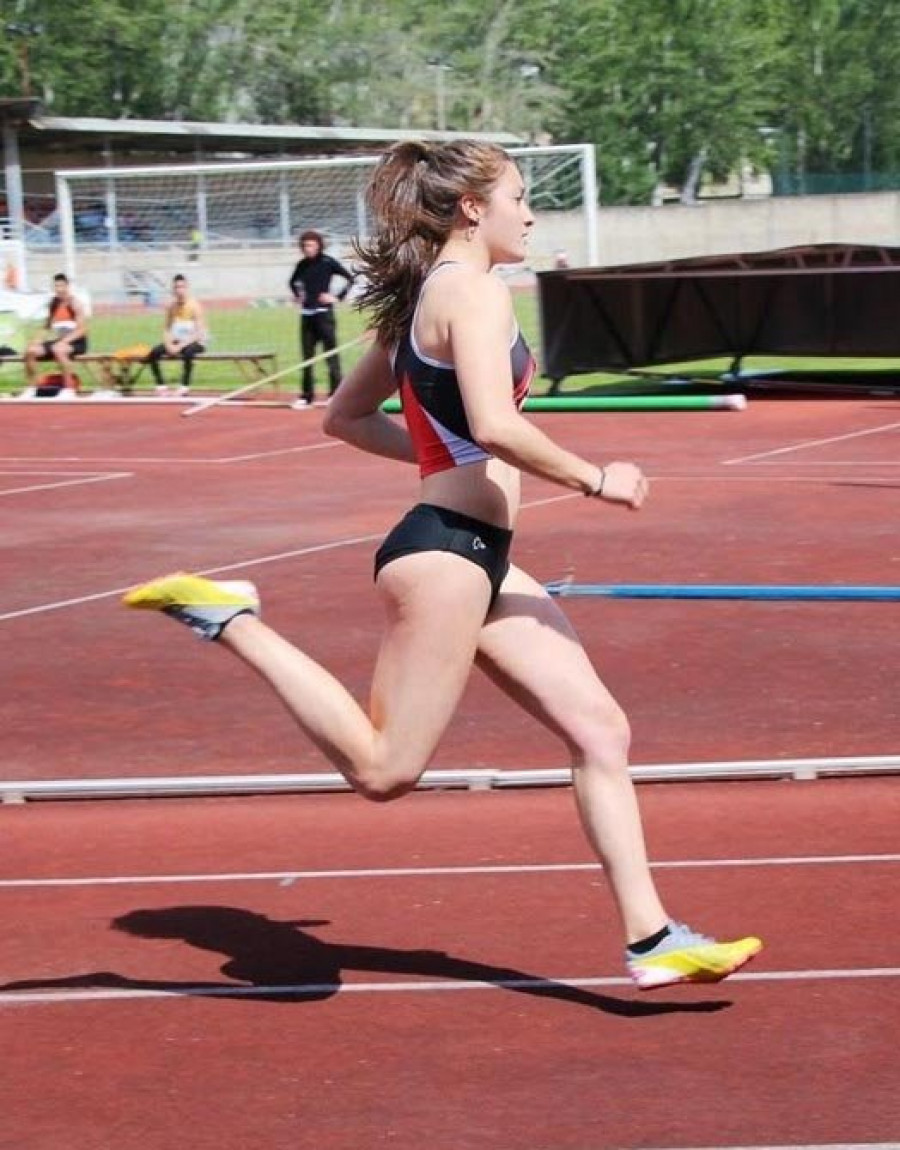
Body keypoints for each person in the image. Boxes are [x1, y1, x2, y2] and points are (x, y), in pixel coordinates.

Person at [124, 140, 762, 991]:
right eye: (520, 198)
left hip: (478, 556)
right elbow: (495, 426)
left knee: (600, 731)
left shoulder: (425, 298)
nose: (531, 214)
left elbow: (345, 420)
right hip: (447, 558)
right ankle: (230, 616)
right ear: (472, 208)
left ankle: (652, 939)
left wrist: (441, 463)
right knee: (385, 771)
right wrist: (592, 477)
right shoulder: (476, 293)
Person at [288, 230, 355, 408]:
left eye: (311, 245)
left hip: (324, 315)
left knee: (331, 356)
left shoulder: (327, 262)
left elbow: (350, 278)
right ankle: (306, 396)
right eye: (305, 245)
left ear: (319, 245)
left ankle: (335, 394)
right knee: (307, 358)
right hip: (307, 316)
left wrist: (336, 297)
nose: (308, 248)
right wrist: (298, 295)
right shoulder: (301, 265)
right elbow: (292, 282)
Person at [23, 273, 89, 398]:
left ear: (67, 286)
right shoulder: (54, 304)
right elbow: (47, 326)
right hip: (60, 342)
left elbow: (82, 329)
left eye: (61, 286)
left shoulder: (75, 303)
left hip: (77, 342)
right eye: (56, 286)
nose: (59, 289)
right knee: (30, 351)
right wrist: (37, 340)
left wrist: (65, 341)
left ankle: (69, 389)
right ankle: (33, 388)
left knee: (58, 349)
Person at [145, 274, 208, 397]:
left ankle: (184, 386)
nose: (179, 290)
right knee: (153, 352)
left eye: (182, 287)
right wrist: (168, 345)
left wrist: (179, 346)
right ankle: (161, 386)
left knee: (188, 352)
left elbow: (200, 333)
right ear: (173, 290)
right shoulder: (171, 307)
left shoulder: (195, 306)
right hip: (177, 341)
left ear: (187, 288)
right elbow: (167, 329)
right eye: (176, 287)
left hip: (195, 341)